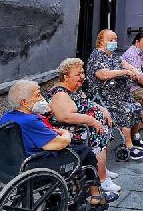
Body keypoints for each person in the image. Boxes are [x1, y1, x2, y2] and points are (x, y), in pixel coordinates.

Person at [0, 80, 117, 206]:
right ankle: (96, 195)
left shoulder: (7, 117)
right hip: (35, 163)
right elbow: (60, 144)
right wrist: (65, 134)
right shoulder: (30, 120)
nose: (42, 98)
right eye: (38, 95)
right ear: (24, 102)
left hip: (11, 163)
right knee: (85, 152)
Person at [48, 58, 120, 193]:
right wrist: (92, 121)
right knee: (98, 138)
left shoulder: (75, 90)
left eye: (82, 73)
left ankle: (101, 169)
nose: (82, 77)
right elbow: (65, 116)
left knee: (103, 133)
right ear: (66, 77)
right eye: (78, 74)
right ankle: (102, 180)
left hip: (87, 127)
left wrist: (103, 110)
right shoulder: (60, 94)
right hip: (75, 132)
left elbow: (87, 103)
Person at [85, 29, 143, 160]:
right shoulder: (97, 55)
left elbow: (125, 64)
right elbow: (102, 74)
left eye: (115, 40)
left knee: (136, 106)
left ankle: (135, 137)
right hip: (103, 97)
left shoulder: (112, 56)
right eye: (111, 40)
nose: (114, 42)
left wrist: (135, 71)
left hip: (118, 95)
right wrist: (123, 72)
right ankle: (128, 145)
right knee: (126, 110)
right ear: (101, 42)